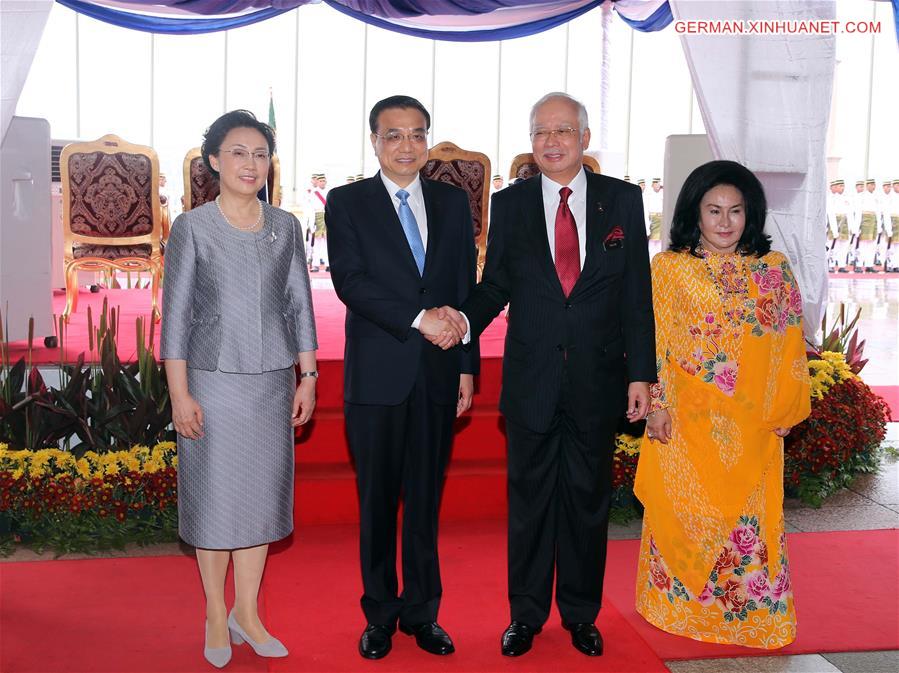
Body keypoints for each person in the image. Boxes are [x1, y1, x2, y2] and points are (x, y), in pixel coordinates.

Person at [450, 92, 655, 658]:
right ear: (531, 140)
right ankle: (526, 615)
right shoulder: (510, 205)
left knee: (589, 504)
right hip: (532, 381)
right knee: (530, 505)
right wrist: (462, 319)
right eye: (541, 132)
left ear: (585, 139)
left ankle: (582, 615)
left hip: (597, 379)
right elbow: (495, 287)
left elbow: (638, 295)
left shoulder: (622, 201)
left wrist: (641, 374)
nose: (552, 141)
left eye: (563, 130)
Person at [161, 110, 318, 669]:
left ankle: (246, 613)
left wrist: (309, 375)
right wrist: (180, 394)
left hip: (272, 384)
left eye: (259, 153)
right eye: (237, 153)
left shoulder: (285, 226)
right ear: (213, 162)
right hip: (211, 383)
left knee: (258, 504)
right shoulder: (192, 228)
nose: (250, 164)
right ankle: (213, 610)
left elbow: (299, 304)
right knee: (215, 503)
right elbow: (174, 319)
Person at [325, 95, 480, 660]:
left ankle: (423, 613)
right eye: (394, 135)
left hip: (439, 373)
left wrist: (466, 365)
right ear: (375, 141)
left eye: (417, 134)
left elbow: (464, 283)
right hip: (378, 375)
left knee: (424, 502)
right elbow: (350, 280)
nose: (407, 145)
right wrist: (419, 319)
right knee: (377, 502)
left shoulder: (450, 201)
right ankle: (380, 616)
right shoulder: (347, 202)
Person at [634, 160, 811, 649]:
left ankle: (750, 618)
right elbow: (656, 342)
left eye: (736, 211)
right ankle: (678, 609)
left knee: (749, 519)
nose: (726, 222)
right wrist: (657, 405)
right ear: (695, 213)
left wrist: (787, 409)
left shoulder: (773, 270)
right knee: (686, 511)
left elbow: (790, 341)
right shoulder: (669, 269)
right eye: (714, 210)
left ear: (751, 215)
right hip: (689, 423)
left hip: (753, 423)